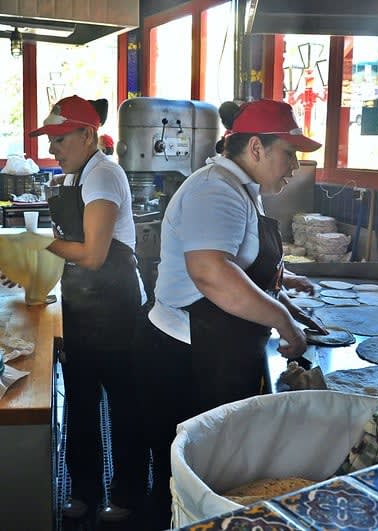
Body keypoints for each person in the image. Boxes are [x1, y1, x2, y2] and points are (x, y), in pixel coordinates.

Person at [131, 99, 327, 528]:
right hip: (187, 355)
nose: (294, 165)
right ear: (255, 147)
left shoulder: (242, 189)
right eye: (288, 153)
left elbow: (238, 264)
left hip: (219, 349)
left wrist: (282, 294)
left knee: (212, 470)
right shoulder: (214, 189)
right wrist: (283, 320)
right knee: (184, 477)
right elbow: (212, 273)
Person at [28, 95, 146, 523]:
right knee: (79, 400)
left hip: (114, 305)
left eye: (60, 139)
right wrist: (31, 265)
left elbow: (94, 254)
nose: (53, 148)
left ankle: (130, 494)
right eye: (50, 140)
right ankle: (84, 491)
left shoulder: (104, 176)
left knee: (123, 404)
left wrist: (36, 245)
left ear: (87, 134)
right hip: (81, 303)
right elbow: (71, 251)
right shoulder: (76, 177)